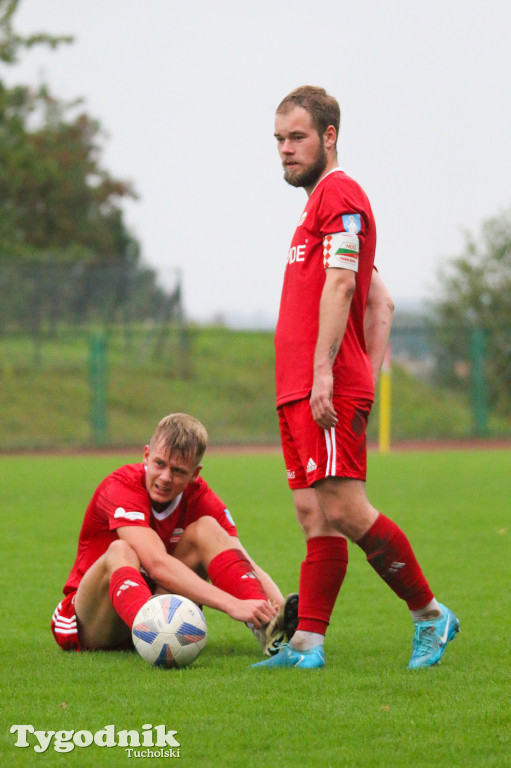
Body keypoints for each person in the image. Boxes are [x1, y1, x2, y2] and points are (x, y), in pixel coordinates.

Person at [253, 86, 459, 670]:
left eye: (297, 138)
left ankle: (429, 615)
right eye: (279, 140)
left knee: (344, 509)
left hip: (322, 387)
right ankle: (306, 645)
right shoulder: (315, 204)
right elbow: (383, 298)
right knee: (314, 515)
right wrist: (350, 370)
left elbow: (347, 285)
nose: (286, 150)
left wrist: (335, 374)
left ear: (329, 138)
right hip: (298, 387)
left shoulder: (340, 193)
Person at [51, 413, 298, 657]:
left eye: (179, 471)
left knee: (208, 529)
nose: (165, 477)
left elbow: (242, 560)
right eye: (159, 464)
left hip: (156, 611)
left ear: (195, 473)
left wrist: (277, 610)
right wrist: (232, 605)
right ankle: (149, 630)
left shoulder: (201, 497)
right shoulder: (121, 486)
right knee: (121, 550)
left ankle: (267, 628)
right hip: (95, 619)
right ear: (146, 455)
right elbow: (157, 564)